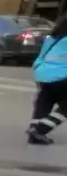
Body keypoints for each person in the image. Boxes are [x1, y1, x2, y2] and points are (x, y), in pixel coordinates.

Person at [28, 16, 67, 145]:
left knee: (44, 102)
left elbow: (42, 56)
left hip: (43, 74)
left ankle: (34, 132)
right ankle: (40, 130)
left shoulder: (51, 38)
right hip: (62, 76)